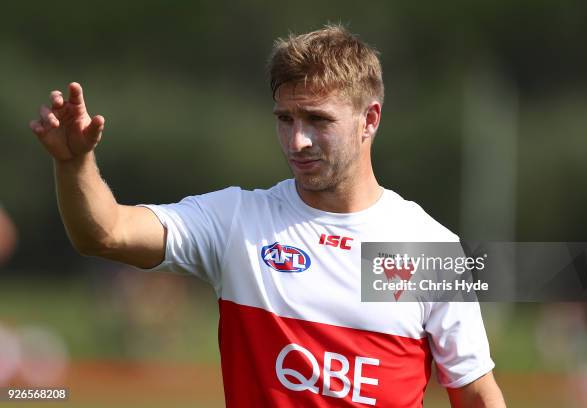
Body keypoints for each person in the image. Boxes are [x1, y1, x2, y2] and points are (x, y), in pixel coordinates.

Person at [30, 25, 505, 407]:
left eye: (318, 120)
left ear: (370, 119)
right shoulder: (239, 220)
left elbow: (475, 393)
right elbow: (106, 234)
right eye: (285, 119)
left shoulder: (425, 247)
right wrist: (74, 165)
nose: (297, 141)